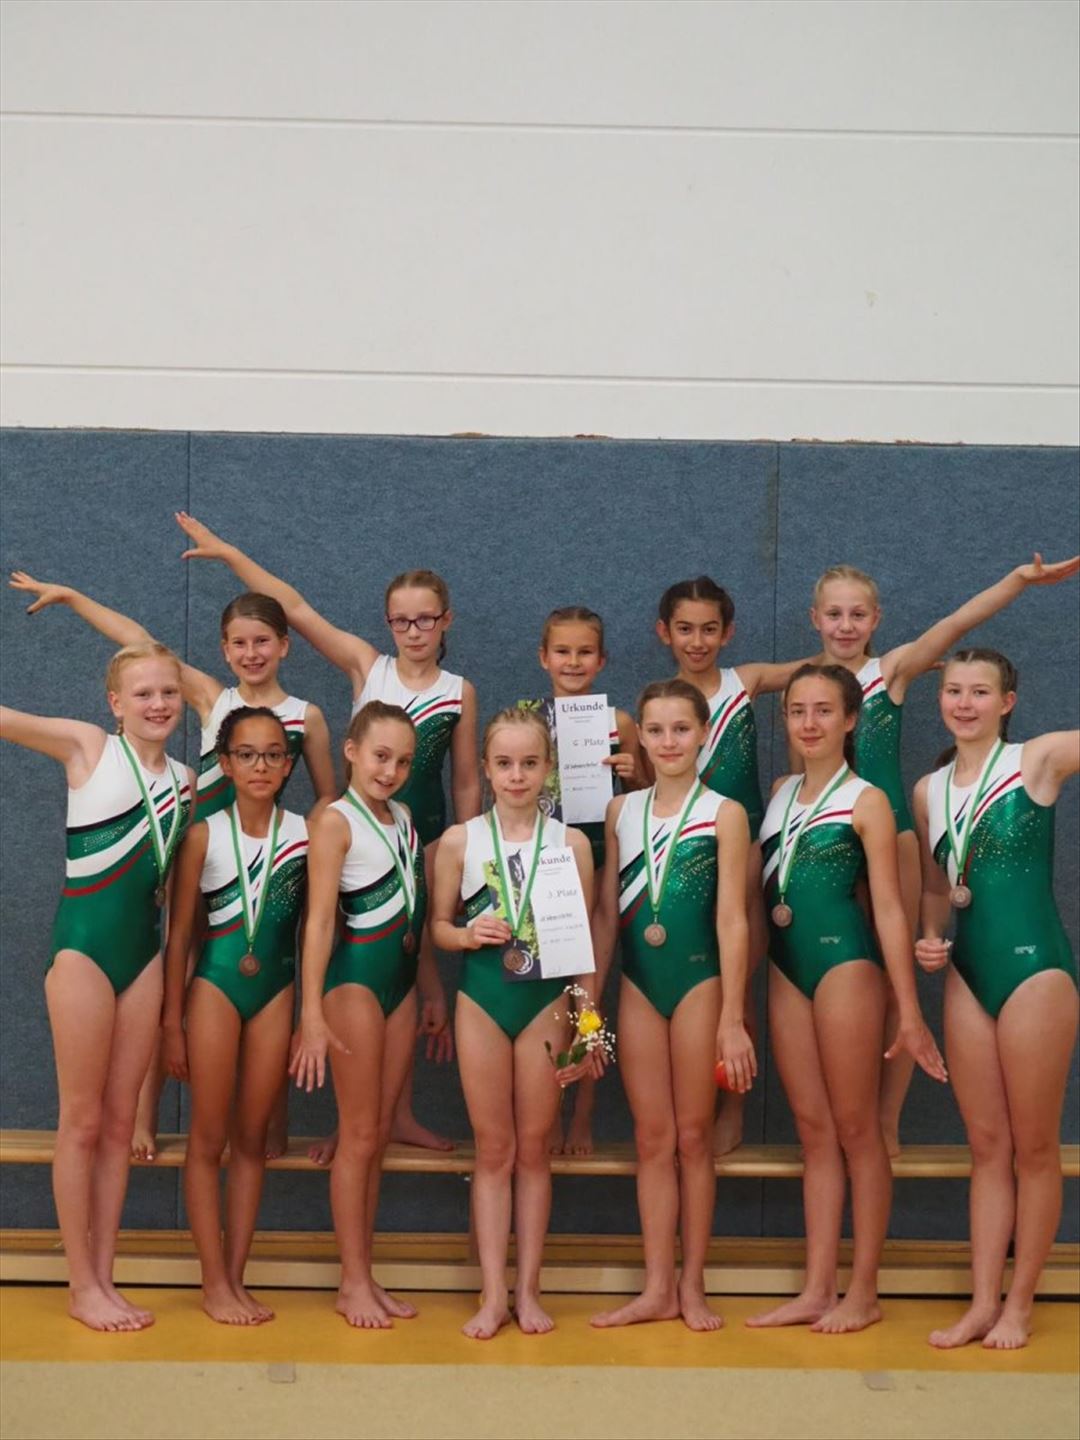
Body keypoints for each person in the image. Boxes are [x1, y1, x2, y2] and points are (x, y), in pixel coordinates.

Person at [9, 568, 335, 1161]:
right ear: (224, 649)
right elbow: (138, 641)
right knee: (175, 977)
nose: (252, 653)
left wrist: (314, 846)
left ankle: (268, 1119)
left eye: (262, 641)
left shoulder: (306, 716)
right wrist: (77, 597)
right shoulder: (212, 696)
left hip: (257, 859)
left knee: (261, 971)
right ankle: (144, 1112)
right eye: (239, 643)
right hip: (194, 844)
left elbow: (327, 795)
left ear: (284, 645)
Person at [173, 514, 474, 1156]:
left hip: (421, 834)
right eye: (401, 620)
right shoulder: (369, 666)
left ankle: (397, 1113)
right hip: (357, 833)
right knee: (339, 952)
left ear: (446, 621)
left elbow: (468, 780)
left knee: (408, 953)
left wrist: (464, 844)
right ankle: (350, 1117)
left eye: (426, 619)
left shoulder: (459, 691)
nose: (413, 631)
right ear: (387, 624)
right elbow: (296, 608)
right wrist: (231, 554)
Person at [809, 553, 1079, 1153]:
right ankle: (844, 1112)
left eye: (857, 614)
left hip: (892, 835)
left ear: (876, 619)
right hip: (824, 837)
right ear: (815, 618)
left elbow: (958, 623)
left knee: (896, 974)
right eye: (834, 614)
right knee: (839, 967)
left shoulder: (891, 670)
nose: (846, 626)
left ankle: (886, 1115)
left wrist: (1017, 580)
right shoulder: (804, 680)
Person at [747, 664, 947, 1334]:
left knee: (857, 1129)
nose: (809, 723)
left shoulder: (867, 800)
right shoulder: (780, 793)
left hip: (845, 966)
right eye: (797, 711)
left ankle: (863, 1290)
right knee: (814, 1133)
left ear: (851, 719)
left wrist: (908, 1009)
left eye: (824, 711)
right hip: (786, 969)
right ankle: (815, 1287)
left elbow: (889, 908)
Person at [0, 643, 193, 1331]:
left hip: (142, 958)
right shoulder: (89, 748)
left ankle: (105, 1277)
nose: (157, 704)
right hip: (82, 952)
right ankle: (80, 1285)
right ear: (115, 704)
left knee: (118, 1127)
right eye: (142, 693)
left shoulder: (185, 780)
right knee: (80, 1122)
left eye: (168, 692)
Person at [913, 649, 1078, 1351]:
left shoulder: (1037, 761)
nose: (964, 703)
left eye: (980, 692)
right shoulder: (929, 790)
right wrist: (929, 936)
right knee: (985, 1145)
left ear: (1007, 702)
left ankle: (1020, 1303)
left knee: (1034, 1147)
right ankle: (982, 1302)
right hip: (969, 974)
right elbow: (933, 886)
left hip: (1035, 971)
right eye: (953, 690)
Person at [431, 708, 601, 1338]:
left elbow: (583, 951)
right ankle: (490, 1294)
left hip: (546, 1006)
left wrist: (591, 1031)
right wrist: (465, 934)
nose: (517, 775)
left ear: (548, 768)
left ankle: (528, 1290)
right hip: (482, 1001)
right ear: (485, 768)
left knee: (533, 1150)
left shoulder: (571, 845)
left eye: (530, 763)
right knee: (494, 1149)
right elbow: (438, 927)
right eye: (504, 764)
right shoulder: (461, 841)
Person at [590, 680, 753, 1332]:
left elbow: (733, 920)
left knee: (692, 1138)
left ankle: (692, 1284)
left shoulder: (724, 813)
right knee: (651, 1139)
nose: (667, 742)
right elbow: (606, 917)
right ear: (640, 737)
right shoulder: (620, 811)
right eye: (655, 730)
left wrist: (733, 1018)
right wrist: (585, 1014)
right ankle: (656, 1285)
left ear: (703, 733)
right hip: (637, 986)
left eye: (680, 729)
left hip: (698, 985)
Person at [657, 575, 814, 1155]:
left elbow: (823, 662)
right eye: (685, 629)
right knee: (690, 971)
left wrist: (893, 662)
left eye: (709, 629)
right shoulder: (659, 706)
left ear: (729, 632)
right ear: (664, 632)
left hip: (744, 844)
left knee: (736, 974)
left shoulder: (743, 682)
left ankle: (734, 1104)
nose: (697, 641)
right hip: (680, 854)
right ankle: (688, 1100)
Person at [162, 706, 309, 1325]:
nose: (260, 765)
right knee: (208, 1138)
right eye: (246, 754)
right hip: (216, 988)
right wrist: (171, 1022)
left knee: (250, 1141)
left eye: (273, 754)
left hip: (276, 991)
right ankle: (212, 1281)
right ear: (225, 763)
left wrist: (308, 1016)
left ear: (289, 764)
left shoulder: (305, 834)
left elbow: (311, 931)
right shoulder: (204, 834)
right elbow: (179, 936)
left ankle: (237, 1276)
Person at [290, 702, 429, 1328]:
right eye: (380, 756)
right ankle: (350, 1283)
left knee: (375, 1141)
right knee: (359, 1136)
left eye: (403, 761)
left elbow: (415, 909)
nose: (390, 770)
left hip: (399, 986)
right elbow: (318, 922)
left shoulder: (404, 819)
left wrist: (429, 990)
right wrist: (311, 1013)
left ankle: (365, 1274)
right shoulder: (334, 821)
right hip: (354, 985)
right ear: (350, 751)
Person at [518, 604, 642, 1155]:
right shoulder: (523, 718)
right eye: (562, 651)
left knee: (589, 992)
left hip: (601, 867)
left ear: (602, 659)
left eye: (584, 652)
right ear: (543, 657)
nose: (573, 662)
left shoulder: (619, 723)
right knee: (549, 996)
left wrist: (634, 773)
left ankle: (584, 1112)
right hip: (541, 869)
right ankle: (546, 1107)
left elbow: (649, 801)